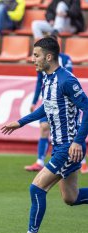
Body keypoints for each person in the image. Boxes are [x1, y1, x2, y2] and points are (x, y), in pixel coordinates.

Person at [1, 37, 88, 233]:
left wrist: (78, 141)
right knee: (71, 197)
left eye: (36, 55)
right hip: (60, 146)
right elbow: (46, 108)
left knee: (37, 187)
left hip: (68, 148)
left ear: (49, 56)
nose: (33, 59)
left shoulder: (67, 80)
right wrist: (21, 122)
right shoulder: (47, 78)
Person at [24, 35, 73, 172]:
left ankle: (81, 158)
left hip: (64, 103)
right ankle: (40, 161)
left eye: (36, 55)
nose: (34, 59)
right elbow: (39, 81)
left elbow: (68, 79)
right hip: (50, 102)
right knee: (44, 127)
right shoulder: (42, 67)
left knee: (70, 131)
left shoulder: (65, 60)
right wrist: (34, 101)